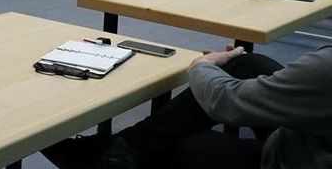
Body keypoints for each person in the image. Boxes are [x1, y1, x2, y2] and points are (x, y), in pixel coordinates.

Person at [42, 43, 332, 169]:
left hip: (298, 159)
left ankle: (122, 153)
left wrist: (203, 66)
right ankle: (122, 151)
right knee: (247, 64)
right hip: (312, 140)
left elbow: (227, 103)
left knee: (187, 146)